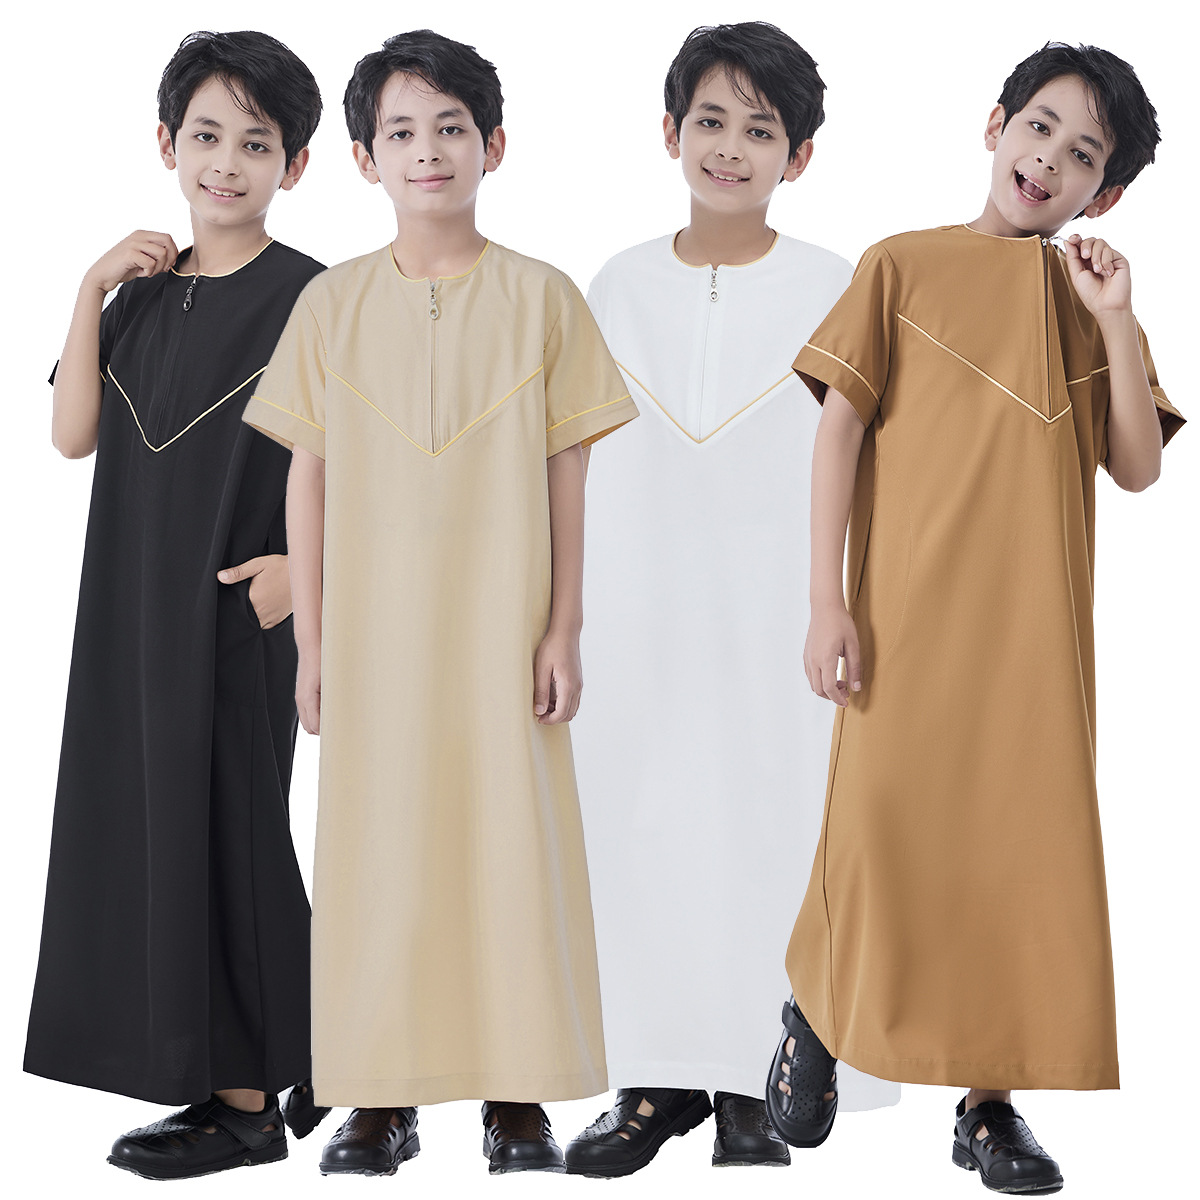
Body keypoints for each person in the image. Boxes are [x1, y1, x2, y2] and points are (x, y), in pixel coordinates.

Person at [765, 43, 1183, 1195]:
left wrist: (1115, 319)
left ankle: (988, 1106)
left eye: (1083, 155)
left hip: (1034, 645)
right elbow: (839, 428)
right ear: (996, 124)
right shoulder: (901, 264)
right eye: (1039, 127)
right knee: (878, 830)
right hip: (903, 619)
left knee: (1012, 865)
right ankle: (817, 1003)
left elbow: (1137, 467)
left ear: (1105, 193)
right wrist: (825, 600)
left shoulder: (1087, 301)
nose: (1049, 160)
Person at [242, 29, 638, 1178]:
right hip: (376, 639)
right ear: (364, 158)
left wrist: (563, 626)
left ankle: (517, 1096)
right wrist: (314, 644)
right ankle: (377, 1095)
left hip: (501, 630)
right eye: (402, 132)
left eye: (451, 128)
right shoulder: (331, 304)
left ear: (492, 146)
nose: (428, 151)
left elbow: (569, 468)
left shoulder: (543, 297)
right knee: (380, 857)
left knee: (511, 849)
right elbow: (306, 476)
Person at [563, 22, 897, 1179]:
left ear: (798, 157)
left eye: (761, 131)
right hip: (637, 598)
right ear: (670, 132)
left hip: (776, 606)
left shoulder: (835, 285)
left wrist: (837, 599)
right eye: (710, 120)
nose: (730, 148)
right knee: (640, 821)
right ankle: (655, 1079)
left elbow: (870, 455)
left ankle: (763, 1076)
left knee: (774, 818)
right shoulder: (616, 283)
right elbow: (570, 456)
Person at [25, 30, 330, 1180]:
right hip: (129, 604)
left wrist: (307, 574)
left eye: (256, 143)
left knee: (235, 838)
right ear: (167, 143)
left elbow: (384, 459)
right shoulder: (140, 299)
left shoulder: (315, 296)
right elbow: (71, 435)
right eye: (207, 136)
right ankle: (243, 1074)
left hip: (237, 609)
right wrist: (90, 287)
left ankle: (256, 1100)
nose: (227, 164)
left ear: (295, 163)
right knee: (147, 834)